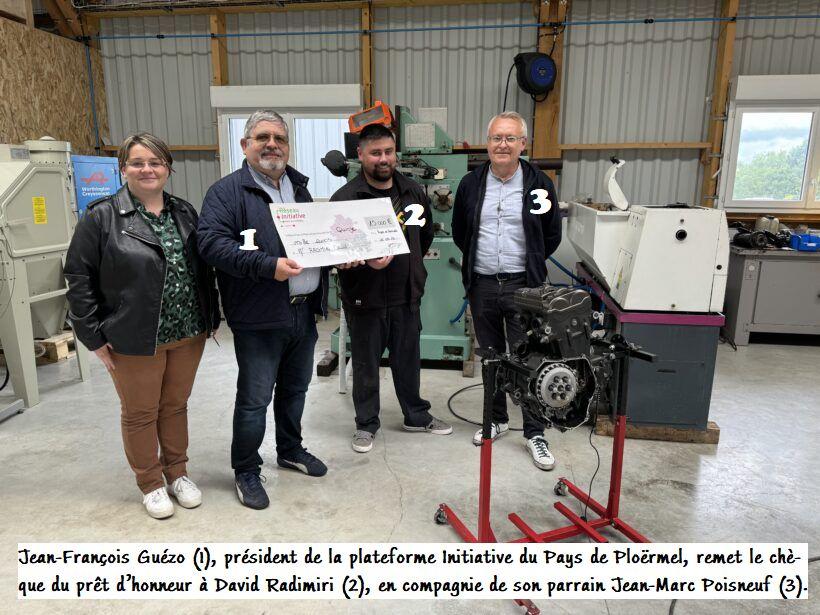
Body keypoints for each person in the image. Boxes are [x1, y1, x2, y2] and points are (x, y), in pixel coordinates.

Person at [64, 132, 220, 519]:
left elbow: (203, 269)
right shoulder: (101, 217)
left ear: (168, 168)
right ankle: (150, 482)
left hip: (188, 331)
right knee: (140, 412)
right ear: (123, 169)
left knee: (175, 406)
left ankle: (177, 473)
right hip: (133, 336)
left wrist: (211, 315)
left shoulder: (184, 212)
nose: (147, 169)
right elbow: (79, 277)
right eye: (137, 163)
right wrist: (92, 335)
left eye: (155, 162)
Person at [197, 110, 328, 510]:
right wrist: (267, 266)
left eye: (280, 139)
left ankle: (289, 449)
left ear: (288, 146)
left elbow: (315, 242)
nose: (272, 145)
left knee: (295, 390)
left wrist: (342, 256)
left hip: (303, 311)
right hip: (258, 315)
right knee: (255, 399)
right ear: (245, 145)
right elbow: (211, 245)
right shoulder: (226, 193)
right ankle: (246, 469)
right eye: (263, 137)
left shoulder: (299, 189)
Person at [330, 123, 452, 454]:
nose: (383, 159)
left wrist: (410, 267)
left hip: (406, 295)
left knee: (408, 361)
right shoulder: (345, 199)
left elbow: (424, 236)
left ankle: (416, 415)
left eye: (388, 152)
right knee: (366, 365)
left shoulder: (412, 192)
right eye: (375, 153)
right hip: (364, 297)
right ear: (360, 154)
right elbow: (337, 251)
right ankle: (366, 424)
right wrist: (363, 261)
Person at [452, 111, 562, 470]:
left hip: (523, 286)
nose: (503, 144)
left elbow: (551, 234)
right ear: (488, 143)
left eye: (510, 138)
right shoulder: (470, 184)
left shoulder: (539, 184)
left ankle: (535, 431)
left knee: (528, 359)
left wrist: (530, 263)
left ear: (522, 144)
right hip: (482, 283)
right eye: (497, 138)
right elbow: (460, 232)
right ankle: (496, 419)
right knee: (492, 358)